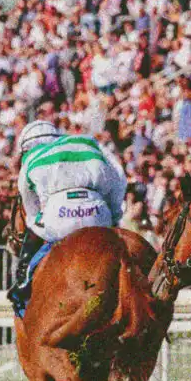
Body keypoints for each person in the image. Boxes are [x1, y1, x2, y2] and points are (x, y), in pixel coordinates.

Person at [9, 120, 127, 301]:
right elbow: (119, 176)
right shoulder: (87, 142)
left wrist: (36, 221)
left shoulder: (31, 158)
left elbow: (29, 207)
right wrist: (114, 215)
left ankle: (24, 279)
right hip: (98, 212)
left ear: (25, 148)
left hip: (60, 215)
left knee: (35, 230)